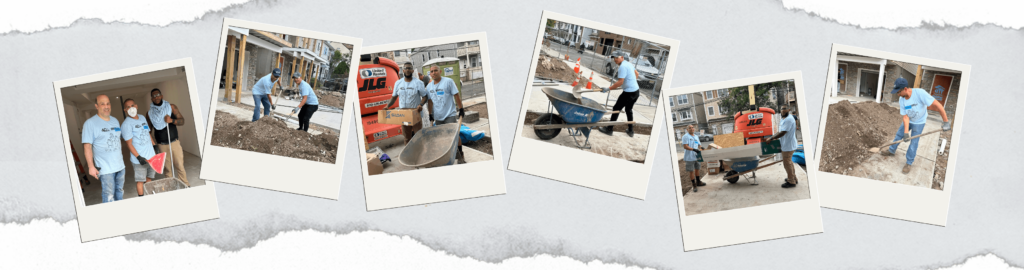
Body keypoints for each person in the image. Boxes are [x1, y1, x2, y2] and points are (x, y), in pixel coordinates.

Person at [880, 78, 951, 174]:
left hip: (919, 122)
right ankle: (891, 150)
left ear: (905, 89)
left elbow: (938, 105)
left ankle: (909, 162)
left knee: (914, 143)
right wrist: (905, 133)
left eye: (898, 92)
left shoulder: (920, 93)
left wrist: (946, 121)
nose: (897, 95)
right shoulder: (902, 100)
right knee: (899, 135)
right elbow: (905, 117)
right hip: (909, 120)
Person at [82, 95, 125, 203]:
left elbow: (118, 138)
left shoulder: (115, 121)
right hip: (105, 169)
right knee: (109, 195)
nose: (106, 106)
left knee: (119, 191)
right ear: (96, 106)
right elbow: (87, 146)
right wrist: (91, 166)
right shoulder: (90, 123)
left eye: (108, 103)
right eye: (102, 104)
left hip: (120, 166)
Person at [422, 64, 466, 164]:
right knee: (442, 136)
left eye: (435, 70)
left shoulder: (448, 82)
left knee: (454, 135)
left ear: (440, 71)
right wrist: (430, 114)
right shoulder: (429, 86)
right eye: (431, 71)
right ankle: (446, 154)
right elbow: (430, 101)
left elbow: (456, 95)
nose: (433, 73)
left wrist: (461, 108)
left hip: (449, 114)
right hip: (438, 116)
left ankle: (460, 154)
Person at [149, 88, 188, 186]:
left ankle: (185, 185)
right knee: (167, 169)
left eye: (158, 95)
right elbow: (148, 131)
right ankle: (171, 187)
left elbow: (182, 121)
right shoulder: (150, 113)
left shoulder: (171, 107)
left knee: (180, 166)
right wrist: (153, 146)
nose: (156, 97)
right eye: (154, 96)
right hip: (161, 145)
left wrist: (172, 121)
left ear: (161, 96)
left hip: (174, 142)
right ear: (151, 99)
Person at [120, 99, 158, 197]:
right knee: (140, 181)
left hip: (151, 157)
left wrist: (154, 145)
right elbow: (129, 144)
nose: (131, 108)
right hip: (139, 159)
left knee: (149, 178)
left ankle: (149, 196)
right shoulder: (126, 124)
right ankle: (141, 198)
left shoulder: (142, 117)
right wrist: (138, 157)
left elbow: (147, 132)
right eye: (128, 107)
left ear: (136, 106)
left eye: (132, 105)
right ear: (125, 110)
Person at [597, 56, 642, 137]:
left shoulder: (622, 67)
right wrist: (632, 83)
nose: (615, 59)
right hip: (636, 91)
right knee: (628, 109)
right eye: (614, 58)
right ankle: (630, 131)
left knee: (616, 109)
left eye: (617, 58)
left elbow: (620, 82)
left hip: (628, 93)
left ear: (622, 57)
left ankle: (609, 129)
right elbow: (637, 74)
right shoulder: (628, 64)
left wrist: (608, 88)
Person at [384, 62, 427, 144]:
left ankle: (420, 155)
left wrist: (421, 105)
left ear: (412, 71)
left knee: (419, 137)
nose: (407, 70)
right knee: (407, 138)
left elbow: (425, 96)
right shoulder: (398, 83)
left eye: (409, 68)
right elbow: (394, 97)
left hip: (415, 113)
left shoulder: (418, 83)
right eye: (406, 68)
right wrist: (387, 106)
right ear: (403, 70)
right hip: (404, 114)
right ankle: (408, 156)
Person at [766, 105, 799, 188]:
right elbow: (780, 131)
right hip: (786, 144)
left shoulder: (789, 119)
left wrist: (771, 138)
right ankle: (793, 178)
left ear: (789, 109)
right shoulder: (783, 119)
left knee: (787, 163)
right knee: (789, 163)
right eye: (781, 109)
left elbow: (782, 133)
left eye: (784, 109)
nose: (782, 111)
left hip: (788, 146)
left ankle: (791, 181)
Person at [681, 125, 705, 192]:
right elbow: (685, 146)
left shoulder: (696, 136)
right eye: (690, 128)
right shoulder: (685, 137)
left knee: (697, 169)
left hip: (697, 156)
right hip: (689, 157)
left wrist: (701, 147)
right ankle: (694, 185)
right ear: (687, 129)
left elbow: (698, 144)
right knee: (691, 171)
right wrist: (694, 149)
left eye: (692, 127)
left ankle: (698, 182)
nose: (692, 129)